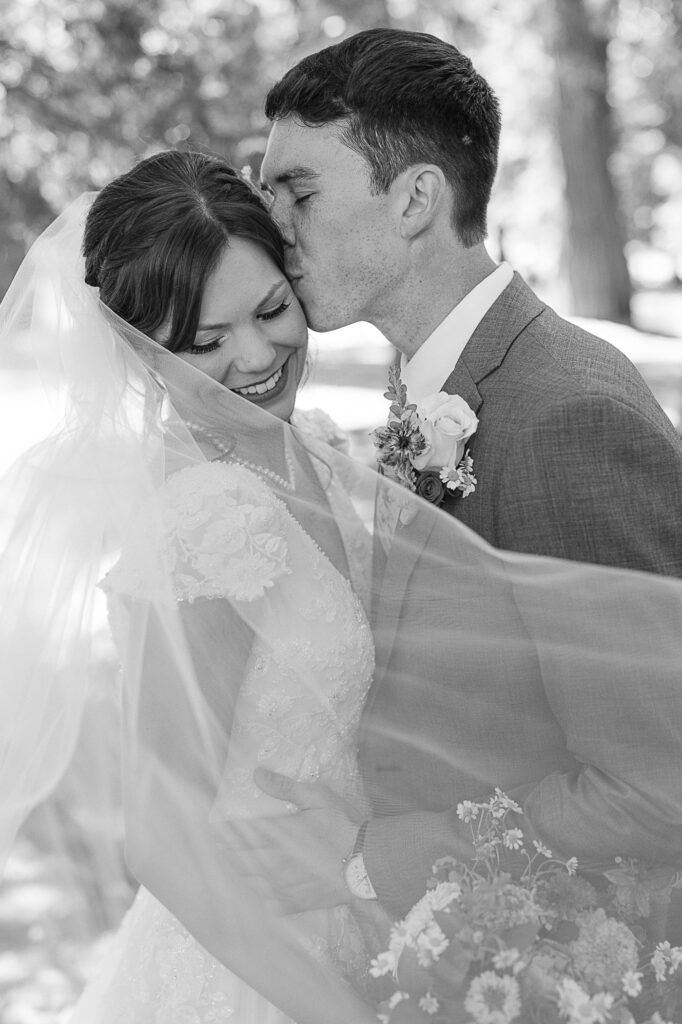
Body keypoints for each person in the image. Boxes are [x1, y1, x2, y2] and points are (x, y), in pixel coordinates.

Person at [225, 27, 682, 924]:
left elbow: (657, 790)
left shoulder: (564, 418)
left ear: (415, 199)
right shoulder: (429, 384)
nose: (271, 228)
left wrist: (368, 862)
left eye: (299, 192)